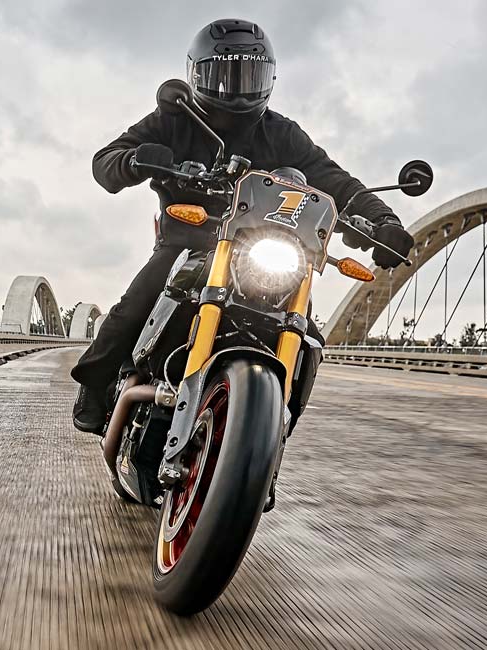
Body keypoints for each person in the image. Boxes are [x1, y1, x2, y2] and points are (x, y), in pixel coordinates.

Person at [71, 18, 415, 433]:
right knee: (140, 297)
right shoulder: (176, 117)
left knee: (305, 330)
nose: (236, 89)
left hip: (260, 246)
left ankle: (272, 429)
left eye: (250, 76)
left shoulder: (282, 134)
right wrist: (133, 160)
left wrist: (382, 221)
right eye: (224, 75)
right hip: (189, 238)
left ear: (268, 78)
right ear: (197, 74)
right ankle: (94, 383)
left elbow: (337, 182)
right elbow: (105, 160)